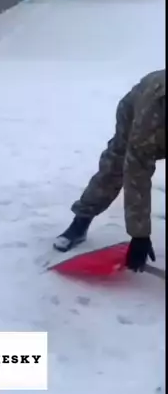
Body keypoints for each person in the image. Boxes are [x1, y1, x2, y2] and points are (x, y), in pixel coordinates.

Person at [54, 69, 165, 272]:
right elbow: (137, 173)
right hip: (137, 110)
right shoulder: (151, 119)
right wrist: (139, 235)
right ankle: (81, 221)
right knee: (116, 166)